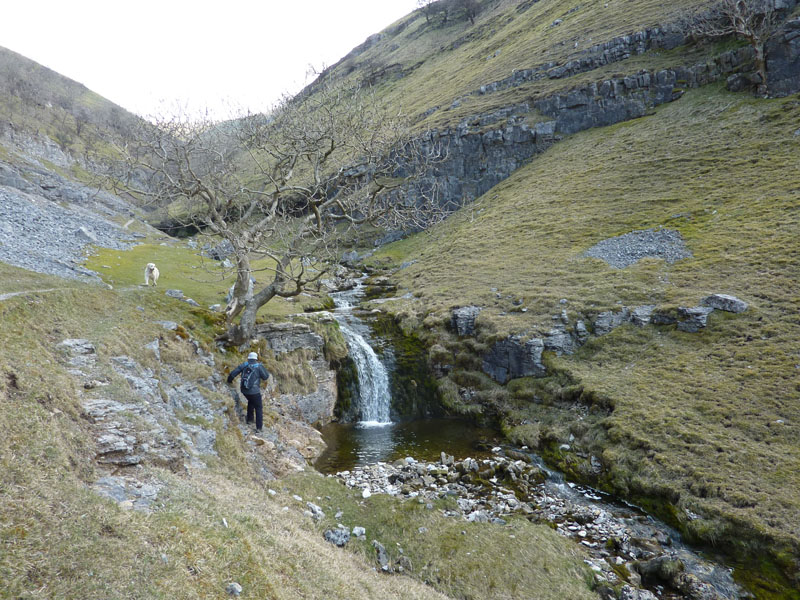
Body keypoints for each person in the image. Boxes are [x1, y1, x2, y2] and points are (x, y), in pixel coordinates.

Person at [227, 352, 270, 433]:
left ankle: (249, 420)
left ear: (248, 358)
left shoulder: (244, 364)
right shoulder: (259, 366)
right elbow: (265, 377)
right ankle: (259, 428)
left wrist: (229, 381)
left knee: (251, 401)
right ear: (256, 359)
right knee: (258, 408)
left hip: (244, 390)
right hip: (254, 391)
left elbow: (233, 373)